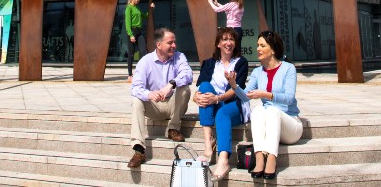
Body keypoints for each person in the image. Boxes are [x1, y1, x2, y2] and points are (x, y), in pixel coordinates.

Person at [230, 30, 302, 180]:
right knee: (257, 110)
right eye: (257, 45)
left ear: (273, 49)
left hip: (291, 125)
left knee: (271, 111)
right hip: (271, 124)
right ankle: (260, 158)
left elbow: (289, 98)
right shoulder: (257, 72)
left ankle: (271, 159)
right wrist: (234, 85)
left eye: (262, 45)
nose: (258, 49)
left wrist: (265, 94)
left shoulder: (289, 69)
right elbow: (245, 97)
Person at [127, 27, 193, 169]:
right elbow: (135, 88)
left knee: (184, 88)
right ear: (159, 45)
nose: (174, 45)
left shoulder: (179, 57)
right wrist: (149, 94)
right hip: (154, 106)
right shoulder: (145, 61)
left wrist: (171, 84)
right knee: (136, 100)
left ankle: (173, 129)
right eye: (170, 42)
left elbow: (187, 74)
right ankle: (138, 149)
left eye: (174, 42)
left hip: (173, 105)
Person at [194, 27, 249, 179]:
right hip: (212, 103)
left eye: (231, 39)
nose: (228, 42)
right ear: (218, 44)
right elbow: (200, 88)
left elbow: (237, 89)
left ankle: (223, 160)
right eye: (224, 39)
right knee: (204, 87)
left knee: (222, 114)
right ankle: (208, 144)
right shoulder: (210, 63)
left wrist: (218, 98)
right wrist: (195, 97)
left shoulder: (241, 62)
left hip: (234, 104)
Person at [125, 0, 154, 80]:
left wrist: (151, 8)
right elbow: (127, 23)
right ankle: (130, 75)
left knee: (144, 51)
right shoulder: (129, 8)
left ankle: (142, 71)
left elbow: (145, 16)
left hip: (139, 31)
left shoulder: (137, 8)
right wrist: (130, 35)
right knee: (131, 54)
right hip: (132, 32)